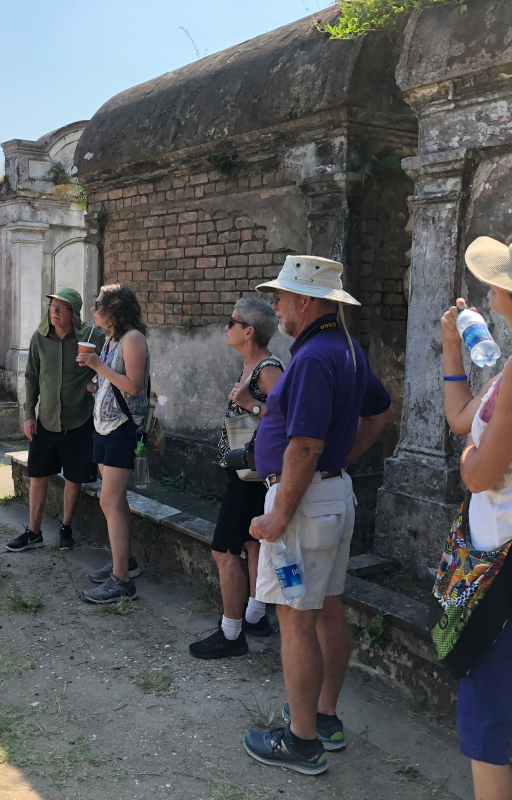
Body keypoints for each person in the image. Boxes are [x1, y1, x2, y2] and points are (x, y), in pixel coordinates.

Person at [242, 255, 391, 775]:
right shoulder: (345, 348)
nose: (277, 306)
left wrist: (278, 518)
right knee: (327, 608)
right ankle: (323, 717)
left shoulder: (309, 358)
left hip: (303, 504)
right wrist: (343, 459)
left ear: (304, 300)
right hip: (331, 496)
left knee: (295, 618)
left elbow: (303, 447)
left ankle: (301, 742)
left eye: (281, 297)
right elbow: (379, 410)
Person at [440, 236, 512, 800]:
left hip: (501, 574)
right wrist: (452, 345)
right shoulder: (506, 368)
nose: (491, 288)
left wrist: (468, 466)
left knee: (488, 720)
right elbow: (465, 415)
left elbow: (480, 470)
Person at [189, 297, 283, 659]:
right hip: (246, 470)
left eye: (232, 321)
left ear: (249, 331)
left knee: (223, 551)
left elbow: (291, 413)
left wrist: (252, 404)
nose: (226, 326)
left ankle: (231, 633)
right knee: (251, 543)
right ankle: (255, 615)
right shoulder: (252, 367)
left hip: (250, 474)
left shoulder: (267, 369)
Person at [6, 287, 104, 553]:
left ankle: (66, 528)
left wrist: (94, 384)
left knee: (74, 476)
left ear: (74, 313)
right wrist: (28, 415)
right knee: (38, 474)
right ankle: (34, 531)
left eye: (61, 308)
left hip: (78, 419)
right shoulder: (40, 338)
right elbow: (31, 378)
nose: (55, 312)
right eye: (52, 307)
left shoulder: (92, 337)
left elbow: (110, 367)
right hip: (46, 419)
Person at [76, 284, 149, 604]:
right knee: (116, 502)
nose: (92, 310)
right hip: (103, 428)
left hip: (121, 429)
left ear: (114, 308)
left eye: (97, 305)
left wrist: (98, 367)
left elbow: (133, 387)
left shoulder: (133, 339)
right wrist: (95, 383)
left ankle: (121, 581)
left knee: (109, 502)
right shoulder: (111, 340)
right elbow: (111, 380)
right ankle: (126, 563)